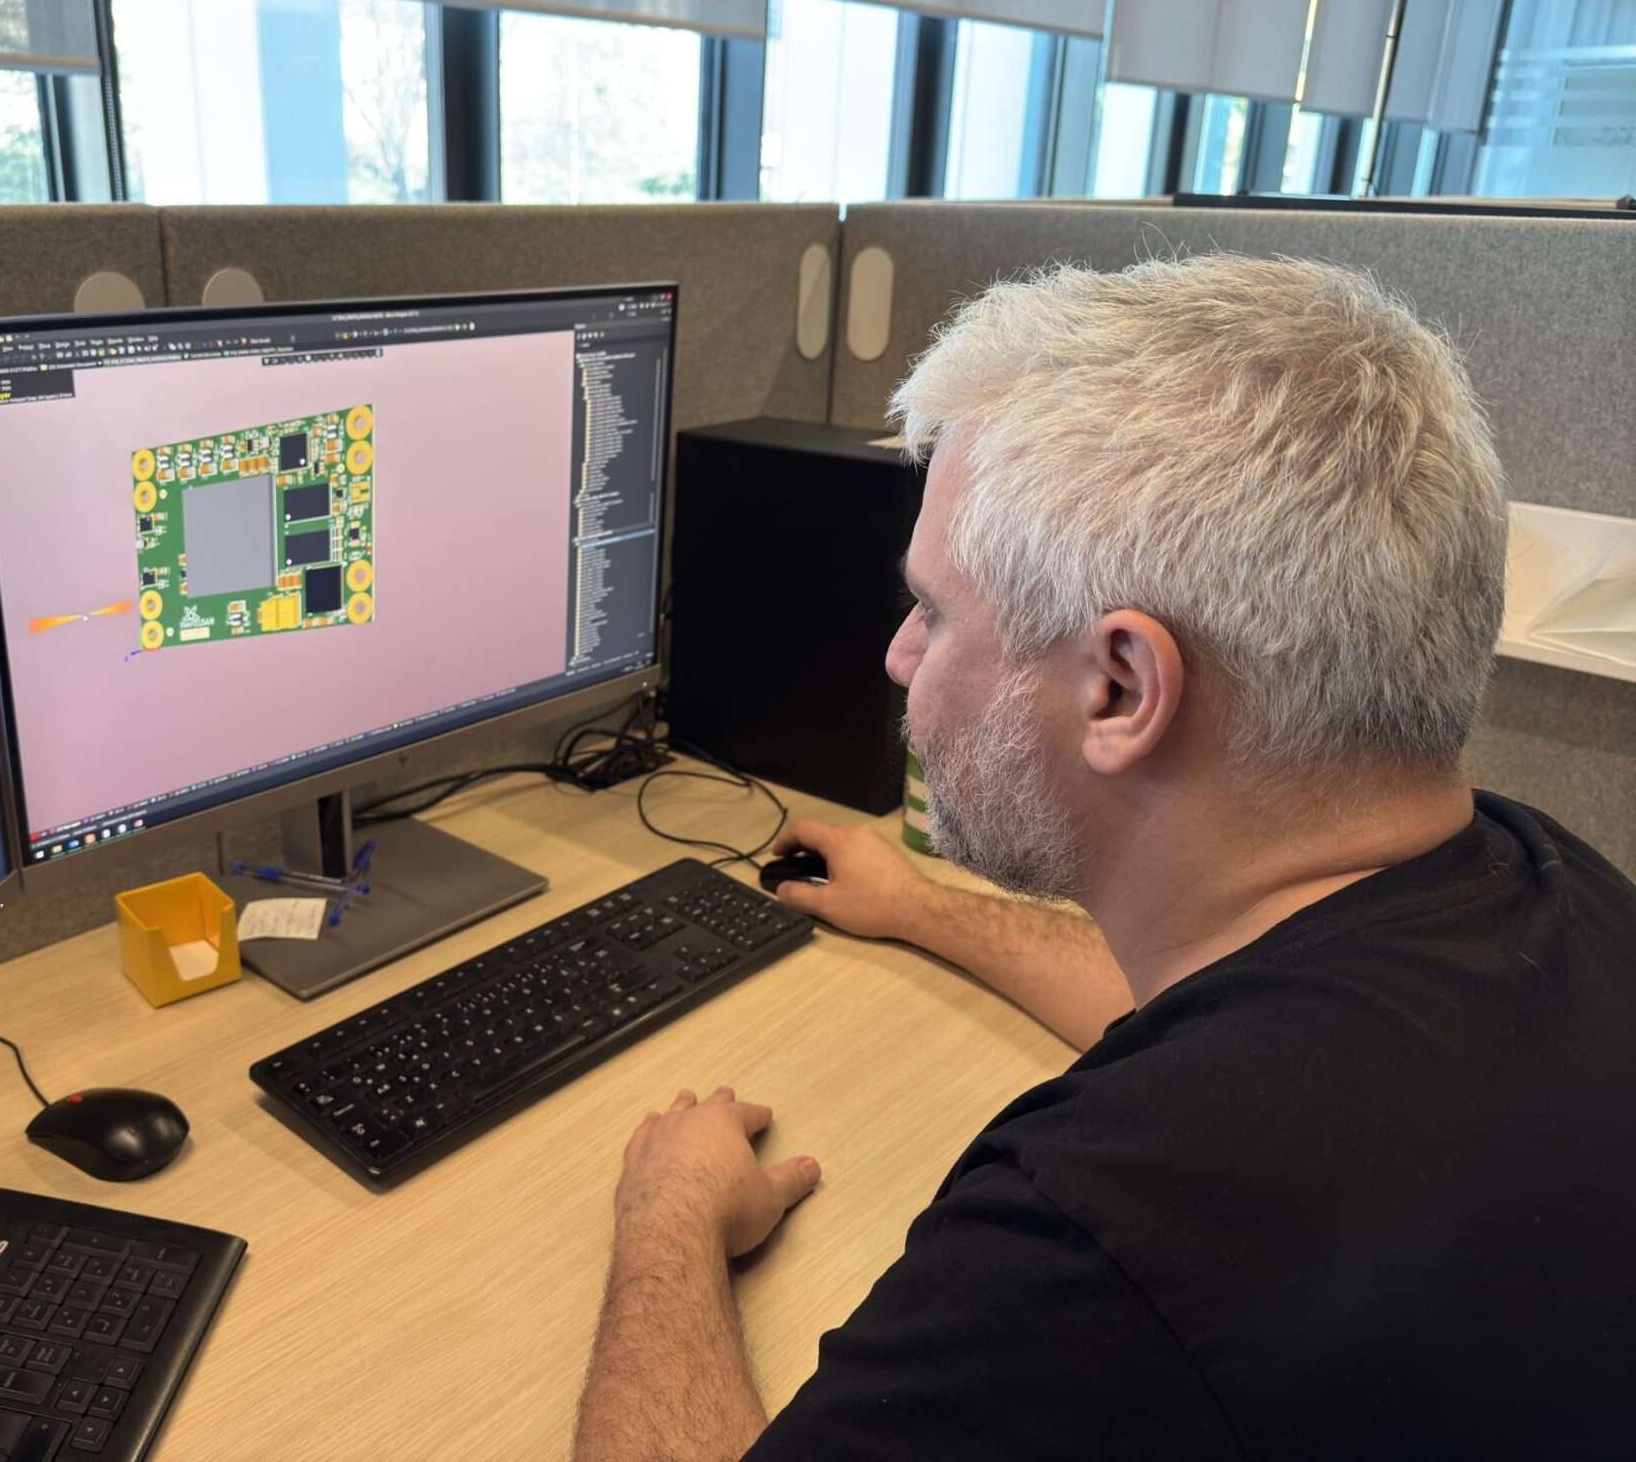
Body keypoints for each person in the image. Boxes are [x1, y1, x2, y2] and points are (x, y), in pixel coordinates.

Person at [570, 254, 1636, 1461]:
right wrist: (921, 908)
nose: (898, 656)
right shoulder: (1541, 886)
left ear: (1120, 687)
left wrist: (667, 1222)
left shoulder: (1105, 1240)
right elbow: (1205, 1006)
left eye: (935, 611)